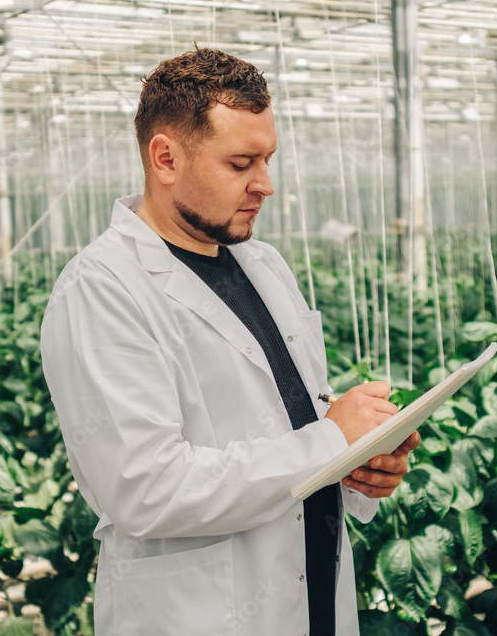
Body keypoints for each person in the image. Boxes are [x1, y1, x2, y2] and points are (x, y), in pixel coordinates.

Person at [40, 47, 420, 636]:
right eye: (241, 162)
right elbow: (144, 488)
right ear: (165, 158)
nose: (265, 184)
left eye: (267, 159)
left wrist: (356, 462)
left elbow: (295, 421)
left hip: (314, 600)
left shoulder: (262, 265)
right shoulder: (102, 289)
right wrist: (329, 440)